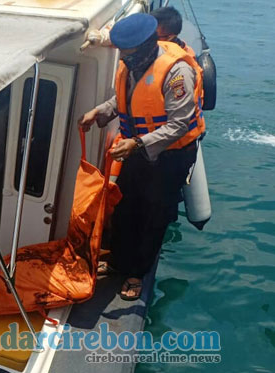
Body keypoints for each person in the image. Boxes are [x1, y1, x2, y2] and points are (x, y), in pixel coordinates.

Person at [78, 14, 205, 301]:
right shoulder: (131, 65)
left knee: (153, 214)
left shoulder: (177, 74)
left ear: (148, 46)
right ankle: (118, 260)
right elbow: (124, 98)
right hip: (137, 149)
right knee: (125, 206)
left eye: (130, 53)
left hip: (169, 156)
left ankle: (138, 272)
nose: (124, 58)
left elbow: (179, 124)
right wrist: (100, 112)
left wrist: (137, 143)